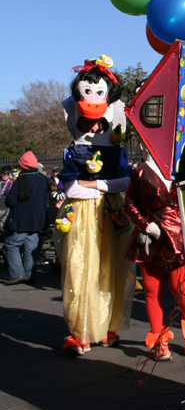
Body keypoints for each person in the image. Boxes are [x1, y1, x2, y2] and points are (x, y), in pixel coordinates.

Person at [57, 55, 135, 355]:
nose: (92, 98)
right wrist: (94, 187)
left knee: (111, 269)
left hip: (111, 211)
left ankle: (107, 326)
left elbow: (124, 182)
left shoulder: (116, 148)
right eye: (87, 91)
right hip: (84, 215)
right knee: (80, 269)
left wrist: (94, 185)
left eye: (98, 91)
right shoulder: (73, 150)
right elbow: (71, 186)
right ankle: (82, 331)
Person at [123, 148, 185, 360]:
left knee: (180, 287)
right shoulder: (140, 170)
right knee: (152, 291)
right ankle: (159, 340)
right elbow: (129, 204)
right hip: (150, 237)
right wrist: (146, 226)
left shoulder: (183, 164)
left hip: (177, 234)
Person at [3, 151, 49, 285]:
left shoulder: (22, 179)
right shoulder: (42, 178)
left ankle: (17, 273)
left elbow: (12, 200)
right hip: (37, 218)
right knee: (31, 246)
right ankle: (30, 274)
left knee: (12, 244)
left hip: (22, 218)